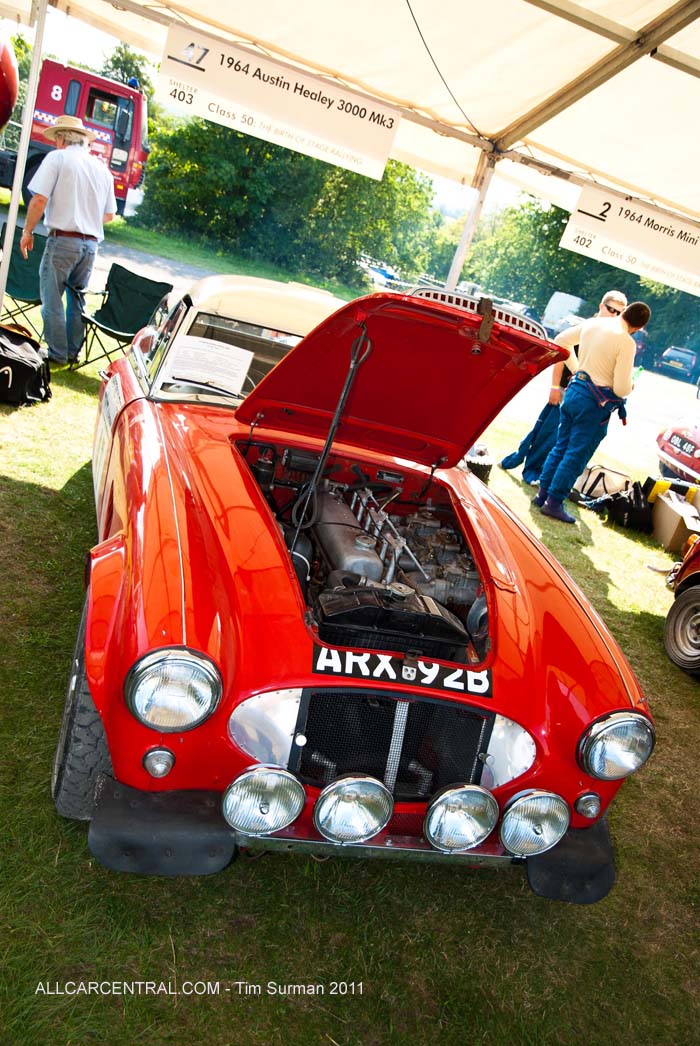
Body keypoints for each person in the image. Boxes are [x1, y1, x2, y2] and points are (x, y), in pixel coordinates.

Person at [533, 300, 651, 523]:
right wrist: (631, 386)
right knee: (576, 454)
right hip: (594, 403)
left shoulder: (595, 323)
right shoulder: (626, 342)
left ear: (625, 311)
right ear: (639, 327)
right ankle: (554, 502)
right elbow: (621, 389)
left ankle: (542, 495)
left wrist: (578, 368)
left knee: (560, 447)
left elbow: (560, 340)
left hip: (575, 390)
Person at [500, 290, 627, 484]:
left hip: (587, 398)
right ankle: (533, 472)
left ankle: (546, 477)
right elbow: (560, 353)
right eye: (611, 310)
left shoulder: (613, 337)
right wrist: (555, 385)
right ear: (602, 306)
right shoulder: (586, 328)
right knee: (547, 434)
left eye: (619, 313)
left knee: (564, 440)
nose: (614, 315)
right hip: (566, 390)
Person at [19, 115, 116, 365]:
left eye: (56, 139)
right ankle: (72, 352)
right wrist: (85, 218)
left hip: (63, 240)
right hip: (91, 244)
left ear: (62, 138)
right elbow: (109, 215)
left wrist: (27, 231)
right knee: (77, 298)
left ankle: (57, 353)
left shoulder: (57, 158)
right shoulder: (102, 169)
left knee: (52, 297)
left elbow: (39, 199)